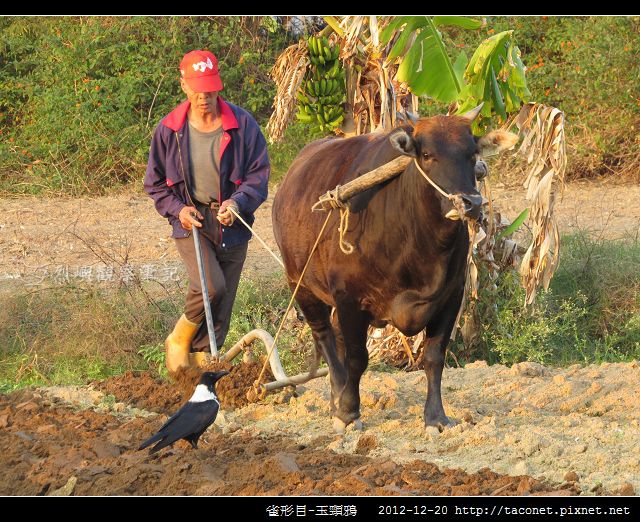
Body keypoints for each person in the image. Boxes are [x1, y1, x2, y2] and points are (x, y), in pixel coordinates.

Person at [144, 50, 270, 373]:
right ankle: (178, 338)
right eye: (198, 90)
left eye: (210, 89)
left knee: (223, 303)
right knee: (211, 286)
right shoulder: (169, 130)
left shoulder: (243, 125)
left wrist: (238, 202)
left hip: (232, 221)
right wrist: (178, 210)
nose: (204, 98)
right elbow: (155, 183)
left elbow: (259, 174)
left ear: (219, 87)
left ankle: (201, 365)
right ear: (184, 85)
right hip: (192, 220)